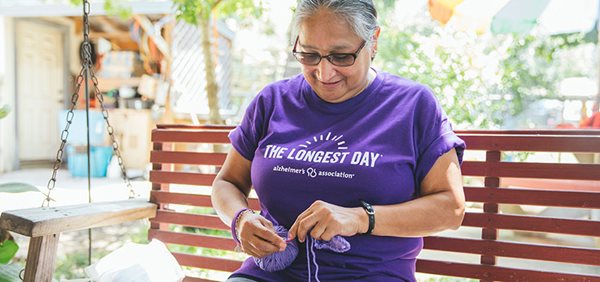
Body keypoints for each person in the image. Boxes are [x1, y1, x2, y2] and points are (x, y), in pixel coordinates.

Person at [212, 0, 466, 281]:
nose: (324, 73)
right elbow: (227, 183)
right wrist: (241, 219)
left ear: (374, 42)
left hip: (371, 275)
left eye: (342, 56)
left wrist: (360, 218)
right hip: (270, 274)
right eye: (309, 55)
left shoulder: (413, 105)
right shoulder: (272, 101)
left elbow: (450, 208)